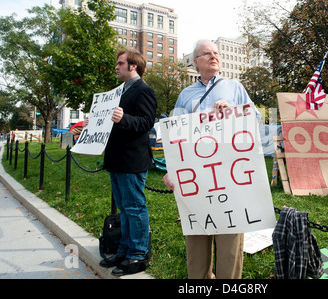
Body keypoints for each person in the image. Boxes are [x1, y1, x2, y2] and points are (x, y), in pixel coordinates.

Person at [163, 39, 258, 279]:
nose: (214, 56)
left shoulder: (235, 87)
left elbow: (254, 119)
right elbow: (175, 136)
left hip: (228, 172)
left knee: (230, 236)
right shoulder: (185, 95)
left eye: (216, 53)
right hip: (196, 174)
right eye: (207, 53)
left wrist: (231, 113)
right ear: (196, 62)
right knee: (197, 236)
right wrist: (171, 169)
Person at [90, 49, 157, 276]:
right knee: (124, 208)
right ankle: (125, 249)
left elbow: (147, 122)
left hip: (132, 160)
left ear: (133, 66)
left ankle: (138, 255)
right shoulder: (119, 92)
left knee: (134, 207)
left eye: (120, 63)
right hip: (117, 159)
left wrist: (124, 118)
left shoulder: (144, 90)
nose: (116, 67)